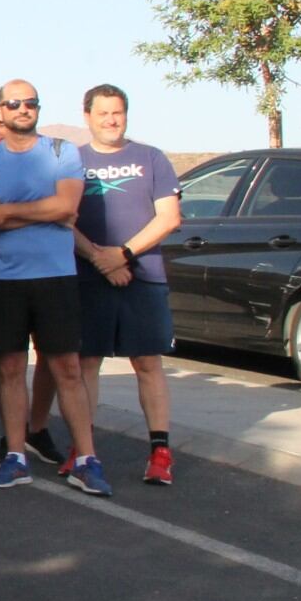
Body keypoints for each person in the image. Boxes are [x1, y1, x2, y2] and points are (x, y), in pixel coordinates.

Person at [26, 84, 182, 485]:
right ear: (88, 116)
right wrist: (99, 257)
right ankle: (83, 449)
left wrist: (123, 254)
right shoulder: (72, 161)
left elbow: (168, 218)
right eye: (103, 113)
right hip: (87, 278)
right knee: (85, 364)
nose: (111, 120)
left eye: (118, 113)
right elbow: (64, 217)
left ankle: (160, 453)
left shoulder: (151, 158)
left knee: (147, 363)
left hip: (142, 276)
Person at [0, 81, 111, 496]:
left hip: (55, 276)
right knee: (9, 368)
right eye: (14, 103)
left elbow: (67, 208)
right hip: (3, 279)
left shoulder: (61, 152)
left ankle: (86, 459)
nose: (23, 108)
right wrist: (43, 213)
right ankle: (16, 456)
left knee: (66, 368)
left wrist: (7, 211)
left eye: (30, 102)